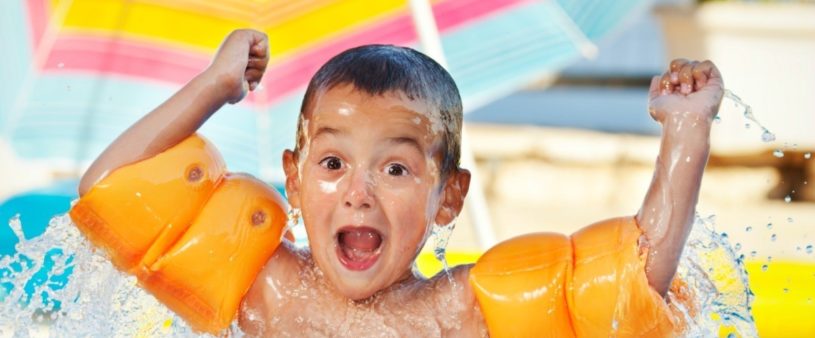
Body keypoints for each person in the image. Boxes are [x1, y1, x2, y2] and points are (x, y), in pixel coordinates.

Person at [72, 29, 723, 336]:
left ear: (448, 198)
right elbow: (113, 189)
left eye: (395, 169)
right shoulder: (263, 289)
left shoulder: (460, 312)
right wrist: (214, 86)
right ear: (293, 182)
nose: (359, 192)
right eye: (332, 165)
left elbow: (630, 280)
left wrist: (685, 129)